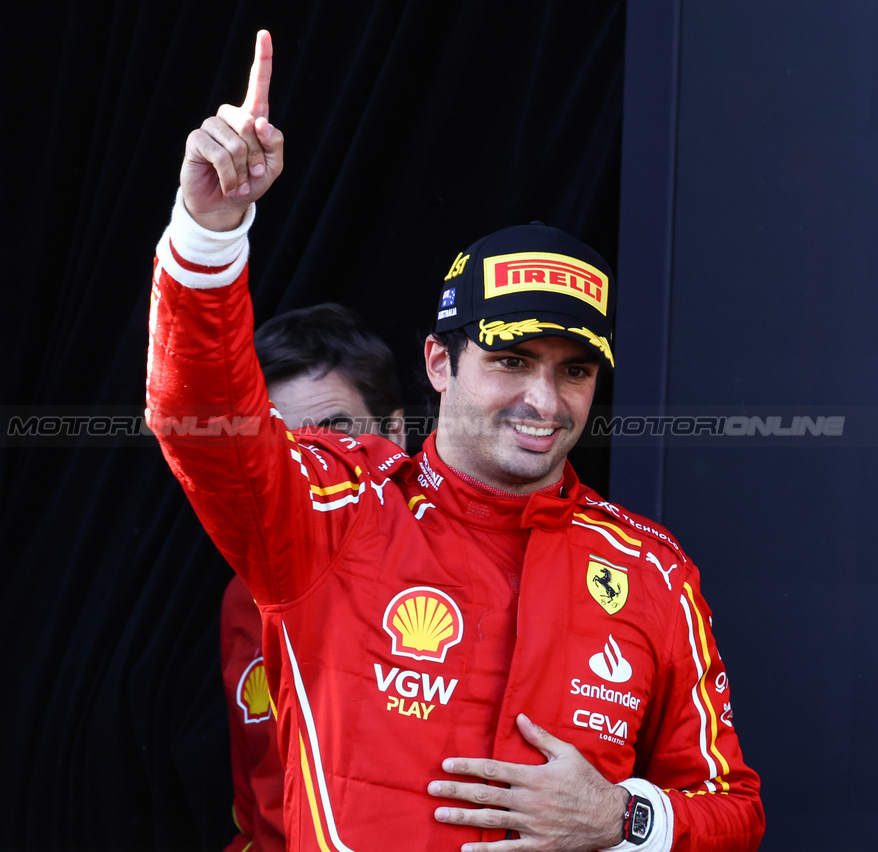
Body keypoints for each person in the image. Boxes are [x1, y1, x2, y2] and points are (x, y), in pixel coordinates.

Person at [148, 30, 763, 851]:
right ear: (438, 361)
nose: (544, 401)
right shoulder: (336, 512)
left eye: (575, 371)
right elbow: (201, 418)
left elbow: (731, 807)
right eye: (511, 360)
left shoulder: (651, 570)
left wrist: (624, 817)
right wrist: (210, 230)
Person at [221, 304, 405, 852]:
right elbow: (257, 804)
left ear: (395, 432)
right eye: (284, 437)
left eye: (335, 430)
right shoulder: (243, 593)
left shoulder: (468, 568)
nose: (311, 461)